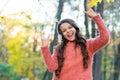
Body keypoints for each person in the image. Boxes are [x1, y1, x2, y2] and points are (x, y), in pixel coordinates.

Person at [40, 6, 110, 80]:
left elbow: (105, 38)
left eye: (70, 27)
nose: (68, 31)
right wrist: (45, 48)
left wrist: (96, 18)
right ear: (62, 35)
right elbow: (52, 67)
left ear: (75, 28)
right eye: (64, 30)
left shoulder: (88, 45)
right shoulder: (59, 49)